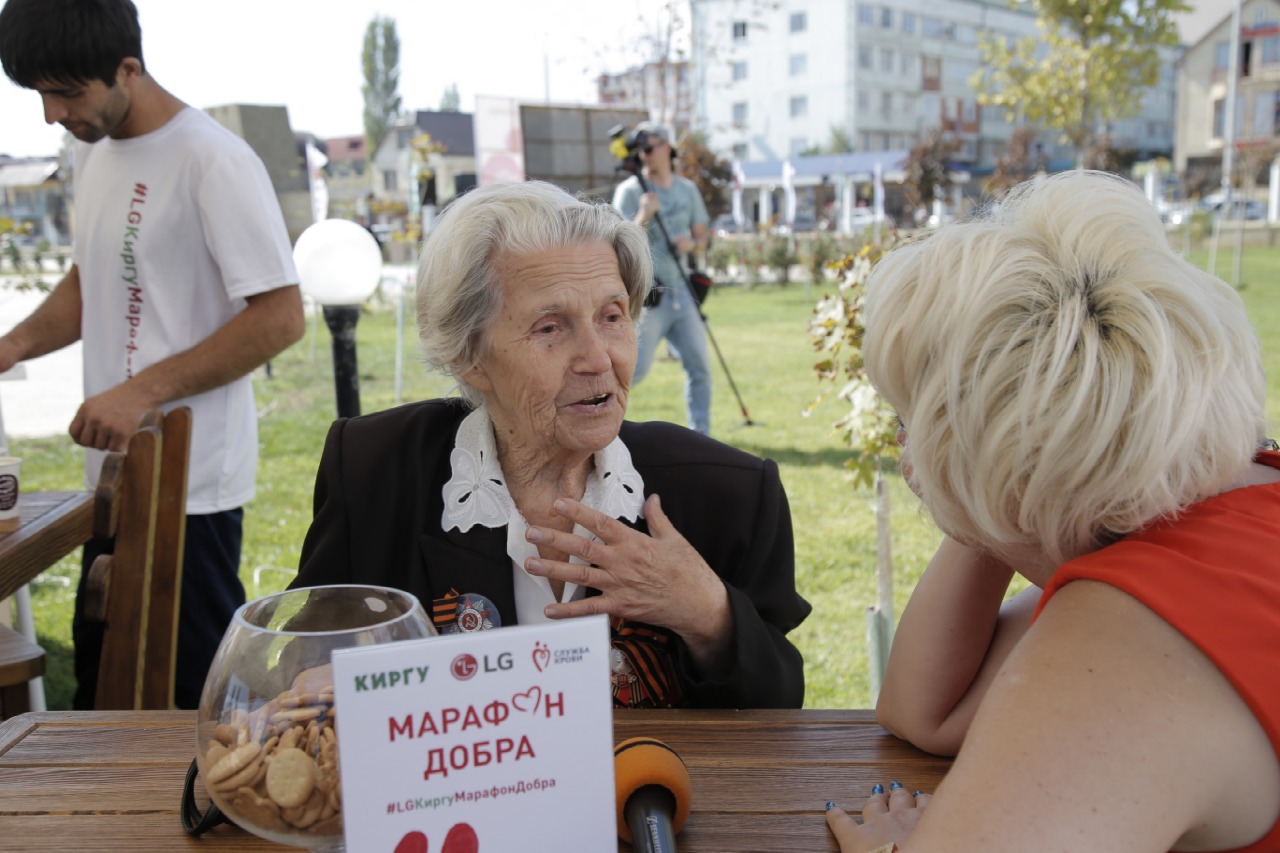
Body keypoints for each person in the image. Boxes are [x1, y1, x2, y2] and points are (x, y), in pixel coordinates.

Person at [825, 171, 1280, 852]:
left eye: (910, 420)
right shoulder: (1222, 504)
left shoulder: (1131, 635)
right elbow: (927, 710)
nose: (903, 446)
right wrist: (987, 497)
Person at [292, 181, 809, 709]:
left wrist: (707, 611)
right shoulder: (376, 473)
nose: (597, 358)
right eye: (551, 327)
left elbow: (781, 708)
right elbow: (299, 671)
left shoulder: (729, 493)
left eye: (612, 317)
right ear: (470, 354)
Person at [0, 0, 305, 709]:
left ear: (126, 69)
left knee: (193, 711)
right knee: (107, 696)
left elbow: (280, 316)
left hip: (190, 486)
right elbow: (94, 279)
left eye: (66, 92)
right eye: (40, 93)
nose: (51, 113)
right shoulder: (90, 152)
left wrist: (138, 392)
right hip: (112, 480)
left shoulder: (213, 160)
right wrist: (12, 344)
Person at [612, 122, 713, 434]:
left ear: (668, 147)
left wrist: (692, 244)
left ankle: (701, 436)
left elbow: (703, 237)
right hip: (648, 296)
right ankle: (610, 434)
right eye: (641, 149)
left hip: (683, 292)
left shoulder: (688, 190)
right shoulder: (630, 192)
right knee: (633, 371)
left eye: (651, 146)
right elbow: (617, 244)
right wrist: (643, 216)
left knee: (700, 368)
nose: (646, 154)